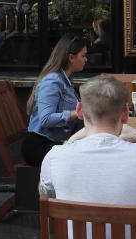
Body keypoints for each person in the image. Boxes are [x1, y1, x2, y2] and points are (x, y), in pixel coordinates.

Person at [40, 75, 136, 205]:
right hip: (135, 231)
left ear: (80, 111)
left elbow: (48, 196)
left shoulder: (55, 157)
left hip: (77, 231)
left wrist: (72, 140)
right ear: (125, 115)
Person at [22, 34, 88, 166]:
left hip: (53, 142)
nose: (86, 59)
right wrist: (77, 113)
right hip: (38, 146)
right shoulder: (52, 81)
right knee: (83, 157)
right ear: (71, 57)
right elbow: (46, 119)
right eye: (83, 55)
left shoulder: (66, 80)